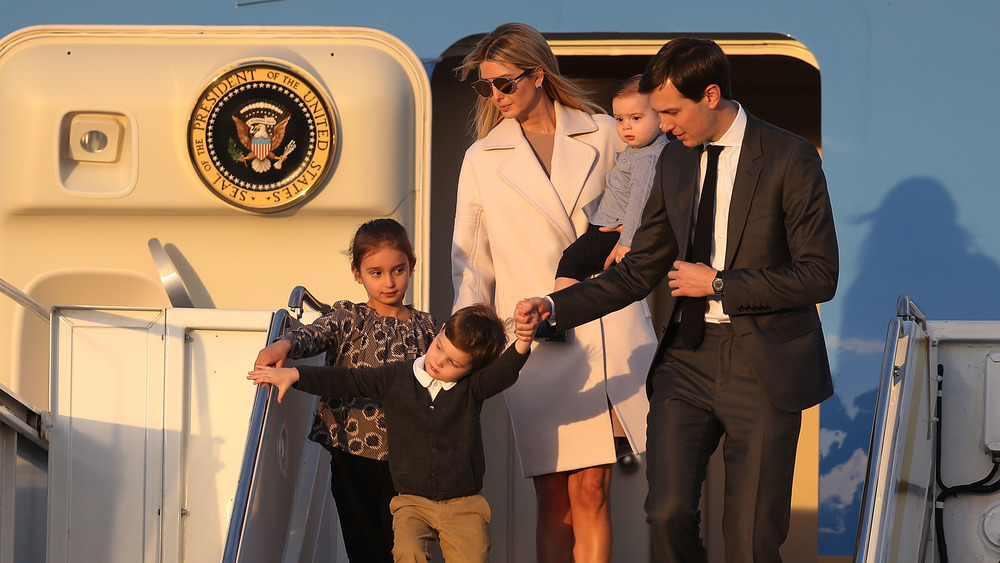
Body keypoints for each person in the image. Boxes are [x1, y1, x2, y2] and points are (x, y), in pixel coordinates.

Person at [519, 37, 839, 561]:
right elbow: (638, 270)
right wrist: (556, 307)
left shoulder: (789, 156)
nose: (663, 125)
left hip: (764, 364)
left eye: (671, 111)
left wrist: (719, 284)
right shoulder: (674, 163)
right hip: (687, 360)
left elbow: (819, 275)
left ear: (710, 95)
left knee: (751, 540)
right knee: (665, 512)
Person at [451, 22, 658, 562]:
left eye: (504, 83)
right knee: (551, 493)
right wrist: (466, 338)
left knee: (592, 488)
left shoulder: (604, 133)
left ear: (537, 75)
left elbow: (643, 214)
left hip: (607, 323)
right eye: (486, 87)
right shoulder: (482, 158)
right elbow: (471, 261)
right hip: (533, 336)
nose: (494, 96)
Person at [248, 303, 540, 563]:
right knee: (407, 552)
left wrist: (523, 342)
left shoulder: (472, 389)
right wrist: (296, 375)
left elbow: (503, 373)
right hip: (412, 502)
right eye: (439, 347)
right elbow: (350, 379)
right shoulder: (397, 377)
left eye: (453, 363)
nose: (438, 361)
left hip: (463, 502)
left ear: (472, 369)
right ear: (438, 333)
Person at [252, 218, 436, 563]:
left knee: (406, 546)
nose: (389, 282)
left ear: (411, 266)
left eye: (398, 270)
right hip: (352, 451)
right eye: (376, 273)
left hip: (410, 455)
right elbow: (315, 334)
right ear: (358, 273)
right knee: (365, 545)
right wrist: (284, 344)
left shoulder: (427, 327)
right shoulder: (350, 317)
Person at [554, 74, 667, 291]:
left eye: (635, 118)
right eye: (619, 119)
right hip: (613, 228)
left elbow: (639, 200)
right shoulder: (639, 150)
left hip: (618, 232)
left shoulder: (647, 158)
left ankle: (555, 313)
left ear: (661, 118)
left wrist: (627, 240)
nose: (626, 127)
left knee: (571, 261)